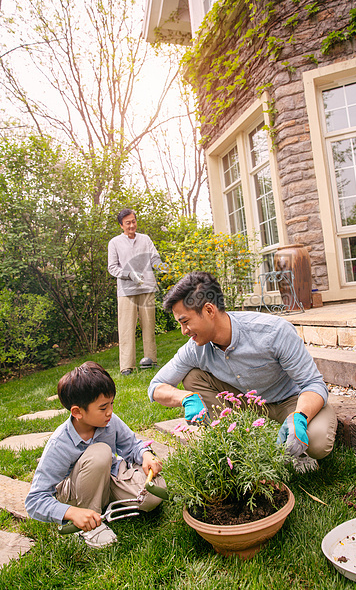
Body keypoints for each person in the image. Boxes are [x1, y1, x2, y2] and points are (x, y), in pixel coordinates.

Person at [148, 271, 337, 472]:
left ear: (209, 310)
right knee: (193, 378)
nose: (184, 331)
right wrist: (186, 398)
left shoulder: (272, 332)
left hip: (290, 401)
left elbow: (314, 384)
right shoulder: (195, 348)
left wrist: (300, 416)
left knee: (318, 442)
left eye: (185, 322)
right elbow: (155, 387)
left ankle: (298, 446)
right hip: (248, 402)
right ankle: (234, 446)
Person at [25, 361, 165, 548]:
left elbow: (132, 445)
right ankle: (89, 523)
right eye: (103, 407)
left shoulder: (110, 420)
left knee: (153, 496)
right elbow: (35, 500)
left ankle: (105, 502)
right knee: (101, 452)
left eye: (111, 404)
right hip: (76, 492)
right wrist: (71, 512)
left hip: (108, 477)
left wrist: (146, 454)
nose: (110, 412)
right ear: (77, 412)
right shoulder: (60, 443)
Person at [108, 208, 166, 374]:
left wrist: (161, 266)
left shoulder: (145, 239)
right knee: (126, 328)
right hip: (126, 291)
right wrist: (129, 275)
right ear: (121, 225)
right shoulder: (114, 243)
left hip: (147, 287)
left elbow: (154, 257)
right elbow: (112, 267)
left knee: (149, 326)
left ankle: (151, 360)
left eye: (133, 221)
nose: (132, 225)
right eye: (128, 223)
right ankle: (127, 366)